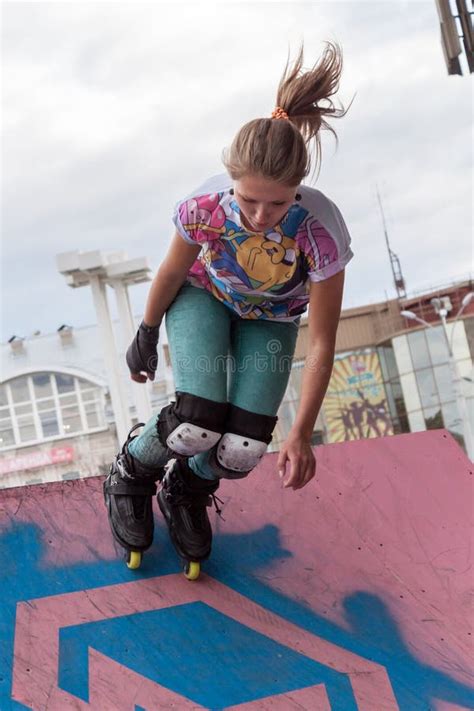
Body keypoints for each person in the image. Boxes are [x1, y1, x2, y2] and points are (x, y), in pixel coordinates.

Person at [104, 42, 354, 565]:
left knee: (243, 449)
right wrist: (147, 333)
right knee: (196, 421)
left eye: (278, 202)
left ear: (298, 190)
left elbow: (324, 339)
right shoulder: (205, 208)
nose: (262, 215)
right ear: (231, 182)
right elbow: (173, 270)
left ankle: (187, 490)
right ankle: (131, 472)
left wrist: (302, 433)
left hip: (274, 317)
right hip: (205, 297)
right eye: (248, 199)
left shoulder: (320, 231)